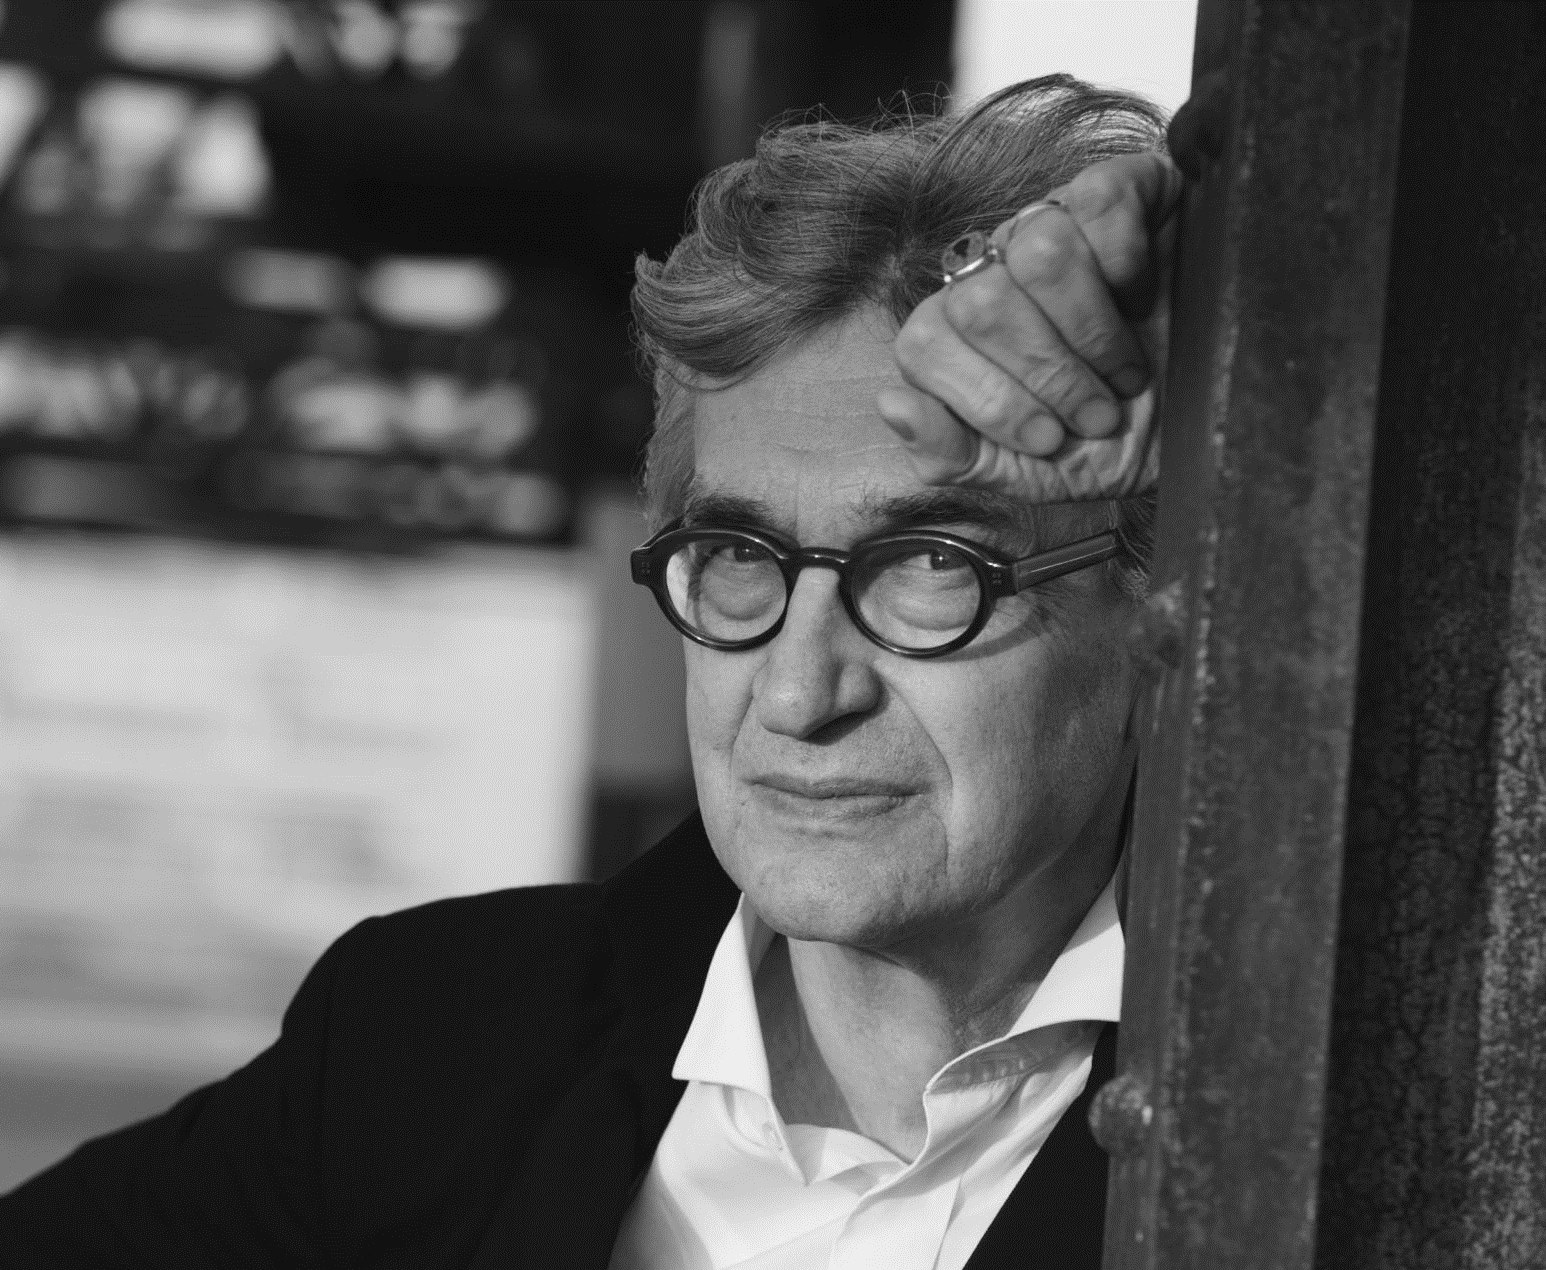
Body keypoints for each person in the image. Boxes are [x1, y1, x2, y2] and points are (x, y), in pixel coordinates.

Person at [0, 76, 1182, 1269]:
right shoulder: (428, 1038)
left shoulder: (1270, 1129)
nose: (796, 694)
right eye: (739, 558)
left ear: (1153, 604)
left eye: (931, 564)